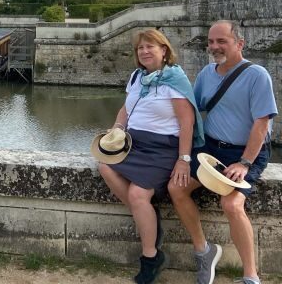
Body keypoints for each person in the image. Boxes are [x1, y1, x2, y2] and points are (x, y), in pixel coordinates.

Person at [168, 20, 277, 284]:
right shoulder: (207, 73)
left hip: (245, 153)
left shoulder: (257, 75)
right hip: (210, 149)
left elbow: (261, 123)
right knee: (176, 188)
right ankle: (204, 251)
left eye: (221, 41)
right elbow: (192, 111)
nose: (214, 46)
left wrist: (245, 162)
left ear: (240, 44)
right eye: (210, 41)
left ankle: (251, 276)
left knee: (231, 204)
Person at [95, 29, 203, 284]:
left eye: (150, 47)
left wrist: (183, 159)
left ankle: (151, 257)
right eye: (140, 48)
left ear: (164, 50)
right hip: (133, 143)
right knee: (105, 166)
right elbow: (126, 109)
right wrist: (117, 129)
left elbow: (186, 123)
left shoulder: (174, 78)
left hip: (162, 148)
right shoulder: (137, 76)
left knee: (137, 194)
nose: (144, 52)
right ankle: (148, 214)